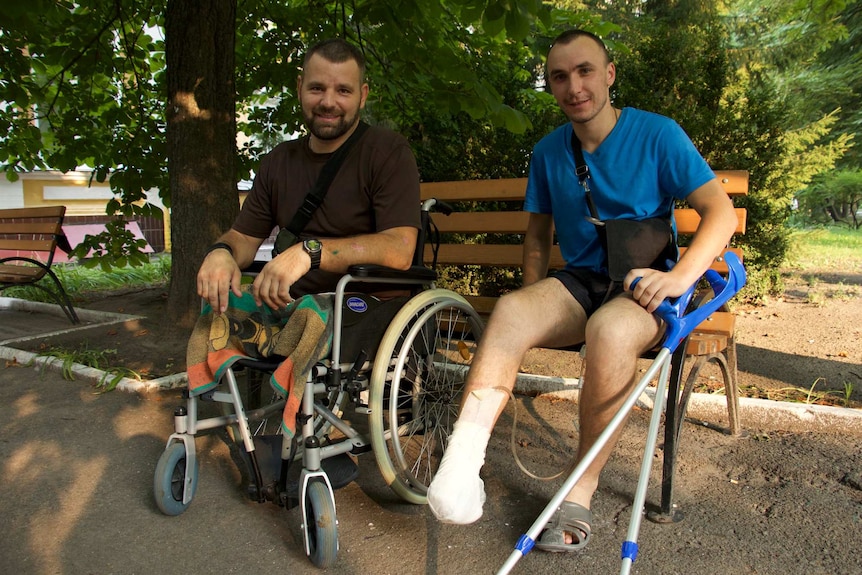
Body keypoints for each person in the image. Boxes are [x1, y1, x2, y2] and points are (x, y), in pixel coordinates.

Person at [426, 29, 739, 552]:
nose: (574, 86)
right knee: (510, 310)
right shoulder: (550, 151)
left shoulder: (658, 134)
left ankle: (581, 489)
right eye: (560, 76)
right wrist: (533, 302)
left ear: (609, 74)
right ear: (550, 86)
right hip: (580, 282)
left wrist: (679, 277)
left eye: (585, 71)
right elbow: (537, 234)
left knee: (609, 330)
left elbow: (721, 211)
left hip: (644, 288)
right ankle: (463, 465)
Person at [196, 38, 421, 315]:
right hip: (289, 304)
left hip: (364, 308)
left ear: (362, 96)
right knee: (216, 316)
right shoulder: (279, 160)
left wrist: (310, 252)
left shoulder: (388, 152)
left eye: (343, 91)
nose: (328, 102)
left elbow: (400, 249)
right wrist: (222, 252)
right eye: (317, 88)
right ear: (299, 88)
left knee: (302, 326)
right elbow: (243, 236)